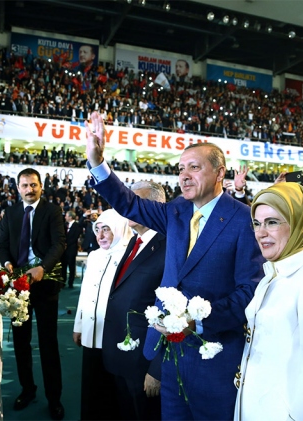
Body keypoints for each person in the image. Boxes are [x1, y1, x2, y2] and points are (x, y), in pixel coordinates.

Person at [85, 111, 264, 420]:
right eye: (181, 168)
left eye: (194, 167)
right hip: (168, 353)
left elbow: (248, 291)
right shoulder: (176, 210)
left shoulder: (243, 219)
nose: (184, 175)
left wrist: (199, 321)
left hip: (214, 358)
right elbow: (129, 203)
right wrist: (97, 161)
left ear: (220, 173)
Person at [234, 182, 303, 420]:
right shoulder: (272, 276)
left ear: (298, 224)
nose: (261, 232)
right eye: (256, 223)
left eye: (272, 222)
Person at [0, 167, 66, 419]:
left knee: (48, 343)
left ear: (41, 186)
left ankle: (54, 398)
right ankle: (27, 390)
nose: (29, 189)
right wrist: (6, 263)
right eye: (25, 185)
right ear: (18, 188)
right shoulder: (10, 213)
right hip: (18, 287)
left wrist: (43, 268)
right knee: (20, 342)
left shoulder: (52, 211)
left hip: (45, 284)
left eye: (33, 184)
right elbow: (3, 245)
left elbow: (59, 243)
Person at [101, 181, 167, 420]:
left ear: (156, 206)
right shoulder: (134, 241)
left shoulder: (169, 245)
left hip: (143, 362)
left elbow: (171, 311)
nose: (126, 206)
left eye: (135, 201)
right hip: (120, 354)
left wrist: (156, 368)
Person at [73, 209, 133, 419]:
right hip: (91, 330)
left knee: (111, 391)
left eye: (106, 229)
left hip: (114, 335)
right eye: (97, 229)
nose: (100, 235)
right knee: (91, 384)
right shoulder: (94, 255)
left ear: (119, 228)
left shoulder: (129, 255)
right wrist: (78, 326)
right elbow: (85, 292)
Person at [62, 210, 82, 288]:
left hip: (71, 249)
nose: (65, 217)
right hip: (63, 250)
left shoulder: (77, 226)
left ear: (70, 217)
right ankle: (62, 282)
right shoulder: (64, 225)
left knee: (71, 267)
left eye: (66, 216)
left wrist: (66, 244)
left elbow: (75, 237)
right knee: (63, 267)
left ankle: (70, 283)